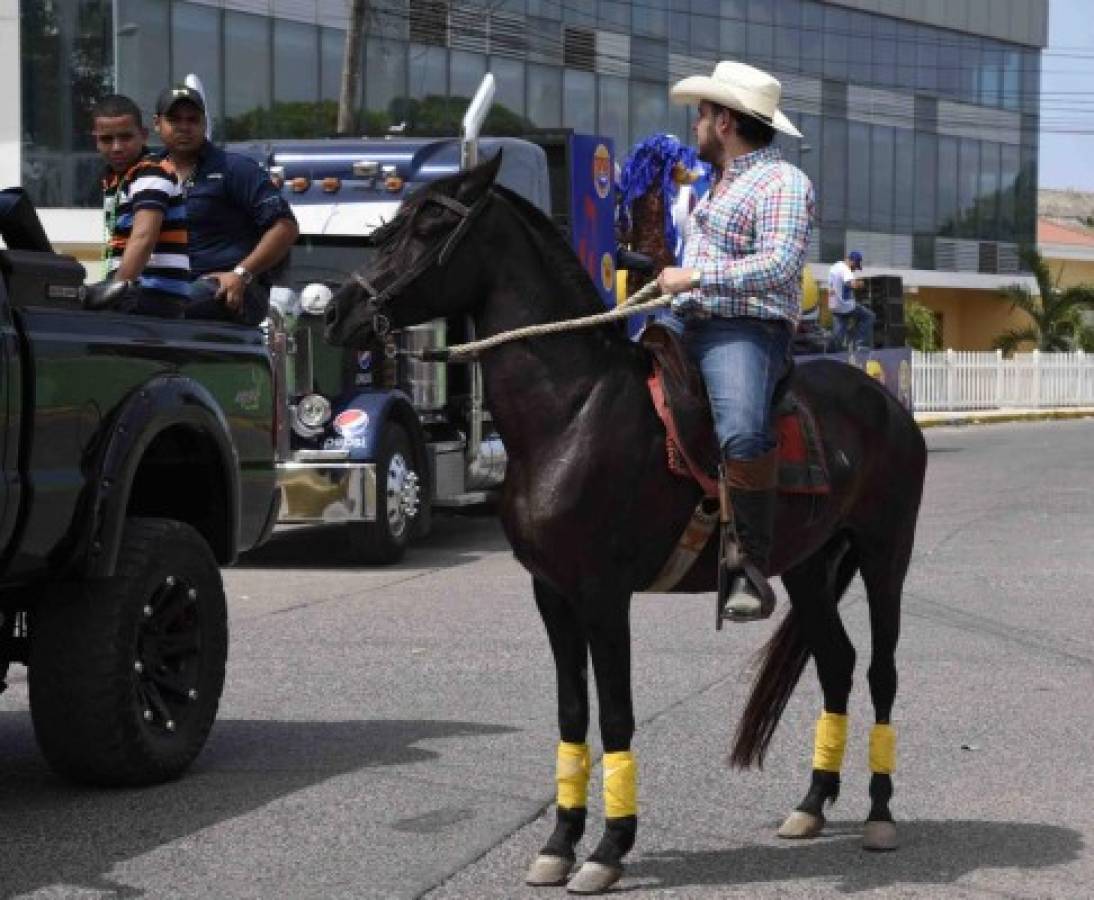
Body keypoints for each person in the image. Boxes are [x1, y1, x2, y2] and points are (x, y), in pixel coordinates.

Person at [656, 61, 815, 623]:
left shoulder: (784, 182)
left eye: (701, 115)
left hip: (744, 330)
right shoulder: (714, 184)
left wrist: (696, 278)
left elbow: (779, 265)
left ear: (725, 121)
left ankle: (747, 567)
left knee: (743, 430)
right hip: (683, 319)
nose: (694, 125)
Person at [154, 85, 298, 325]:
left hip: (232, 290)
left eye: (193, 119)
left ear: (204, 123)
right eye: (174, 119)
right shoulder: (147, 173)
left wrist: (241, 274)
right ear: (157, 123)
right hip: (171, 286)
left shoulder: (234, 168)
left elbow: (285, 227)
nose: (184, 127)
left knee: (167, 305)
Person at [91, 94, 190, 317]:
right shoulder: (117, 178)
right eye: (107, 139)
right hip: (135, 290)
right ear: (95, 140)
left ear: (144, 136)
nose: (117, 147)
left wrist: (113, 291)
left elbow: (144, 238)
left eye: (126, 137)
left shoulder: (151, 171)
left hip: (155, 295)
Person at [828, 250, 875, 350]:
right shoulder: (846, 269)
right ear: (852, 262)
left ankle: (832, 353)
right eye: (855, 267)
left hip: (835, 306)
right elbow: (851, 283)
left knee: (838, 338)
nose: (855, 270)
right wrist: (860, 284)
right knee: (869, 317)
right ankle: (860, 344)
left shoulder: (835, 267)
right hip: (846, 306)